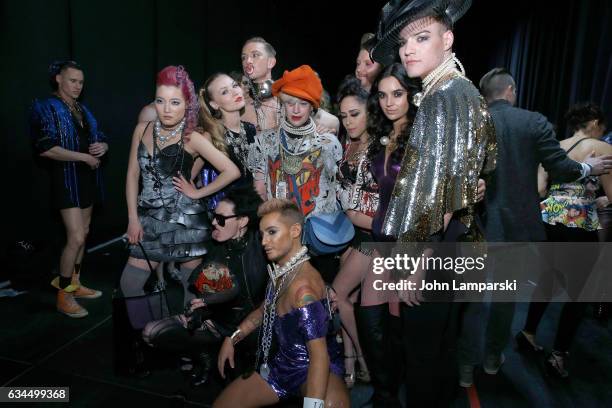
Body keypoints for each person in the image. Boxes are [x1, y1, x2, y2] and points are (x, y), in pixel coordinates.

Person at [370, 1, 496, 405]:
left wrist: (417, 268)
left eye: (421, 38)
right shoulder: (451, 90)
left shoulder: (446, 96)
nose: (408, 49)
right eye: (405, 41)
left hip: (432, 253)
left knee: (423, 360)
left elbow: (445, 195)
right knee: (437, 353)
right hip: (449, 246)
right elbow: (470, 177)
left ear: (448, 39)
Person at [457, 69, 612, 386]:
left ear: (485, 94)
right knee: (504, 300)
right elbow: (561, 168)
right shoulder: (533, 122)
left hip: (472, 222)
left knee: (470, 301)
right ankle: (490, 359)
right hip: (515, 227)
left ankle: (464, 367)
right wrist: (589, 167)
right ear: (510, 90)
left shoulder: (470, 122)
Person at [120, 65, 240, 306]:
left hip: (185, 222)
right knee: (129, 284)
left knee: (190, 290)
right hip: (149, 219)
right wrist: (133, 218)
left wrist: (197, 191)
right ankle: (147, 336)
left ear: (187, 104)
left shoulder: (192, 137)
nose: (166, 109)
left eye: (175, 102)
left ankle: (186, 337)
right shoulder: (141, 130)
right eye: (160, 101)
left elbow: (232, 171)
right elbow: (132, 175)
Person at [214, 199, 349, 408]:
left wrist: (313, 405)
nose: (264, 242)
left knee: (332, 404)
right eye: (262, 234)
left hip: (313, 368)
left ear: (295, 231)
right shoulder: (282, 272)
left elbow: (319, 356)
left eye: (272, 232)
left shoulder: (303, 291)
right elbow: (264, 311)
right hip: (283, 366)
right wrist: (232, 338)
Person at [517, 102, 612, 378]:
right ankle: (558, 356)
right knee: (579, 293)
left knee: (548, 278)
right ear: (594, 123)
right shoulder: (604, 149)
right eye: (602, 127)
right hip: (579, 223)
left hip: (549, 221)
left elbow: (538, 189)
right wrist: (596, 198)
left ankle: (528, 332)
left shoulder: (555, 145)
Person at [142, 185, 267, 386]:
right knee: (152, 332)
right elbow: (217, 290)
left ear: (243, 221)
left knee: (238, 388)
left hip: (251, 326)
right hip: (219, 322)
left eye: (221, 219)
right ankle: (204, 354)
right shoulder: (215, 245)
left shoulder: (262, 245)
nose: (214, 223)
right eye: (213, 216)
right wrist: (201, 309)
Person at [248, 65, 343, 282]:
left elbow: (337, 191)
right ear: (282, 105)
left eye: (303, 103)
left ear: (313, 107)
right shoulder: (265, 141)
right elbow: (259, 189)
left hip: (318, 237)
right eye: (290, 103)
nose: (297, 110)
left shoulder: (328, 143)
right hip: (279, 238)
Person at [30, 60, 109, 318]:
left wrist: (102, 147)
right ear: (58, 80)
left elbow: (99, 136)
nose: (77, 85)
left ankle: (75, 285)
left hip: (87, 179)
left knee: (84, 234)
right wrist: (84, 157)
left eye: (81, 82)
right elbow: (46, 148)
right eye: (72, 80)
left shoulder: (82, 109)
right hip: (66, 180)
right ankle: (63, 295)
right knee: (75, 237)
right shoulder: (46, 107)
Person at [334, 76, 378, 388]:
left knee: (337, 294)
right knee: (346, 298)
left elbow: (382, 210)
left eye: (355, 114)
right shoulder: (349, 144)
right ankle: (351, 364)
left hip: (370, 235)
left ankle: (365, 360)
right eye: (344, 115)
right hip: (348, 232)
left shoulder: (379, 149)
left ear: (369, 113)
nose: (348, 121)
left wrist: (351, 212)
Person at [197, 72, 258, 209]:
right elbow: (189, 175)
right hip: (223, 217)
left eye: (235, 86)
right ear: (214, 104)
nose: (234, 92)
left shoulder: (251, 129)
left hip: (251, 213)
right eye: (224, 92)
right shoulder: (210, 136)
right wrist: (197, 193)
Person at [240, 37, 282, 132]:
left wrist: (321, 116)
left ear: (270, 62)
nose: (248, 61)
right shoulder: (236, 104)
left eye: (255, 55)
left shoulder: (288, 99)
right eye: (244, 57)